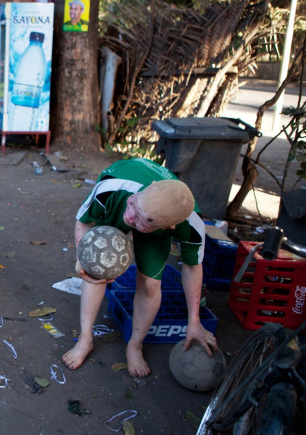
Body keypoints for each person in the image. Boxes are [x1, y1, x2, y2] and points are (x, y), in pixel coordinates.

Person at [61, 158, 218, 377]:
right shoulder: (113, 187)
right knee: (98, 264)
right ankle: (86, 338)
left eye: (141, 219)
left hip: (154, 226)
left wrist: (194, 321)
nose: (129, 217)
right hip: (124, 194)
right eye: (135, 205)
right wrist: (83, 260)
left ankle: (135, 345)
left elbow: (192, 267)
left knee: (151, 283)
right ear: (149, 188)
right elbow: (84, 222)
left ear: (170, 227)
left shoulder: (191, 225)